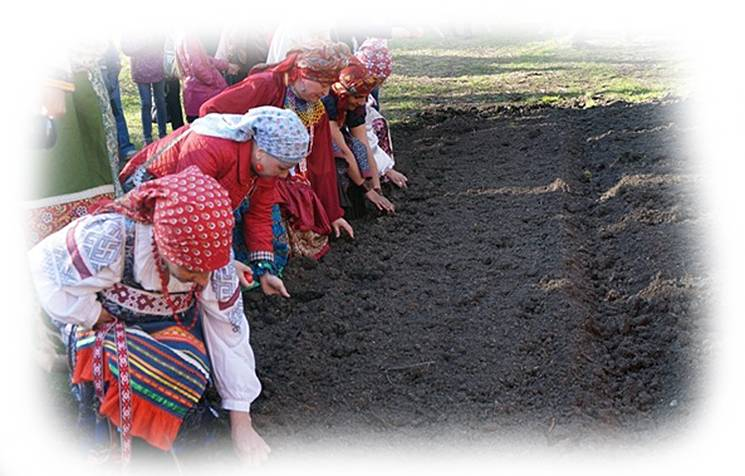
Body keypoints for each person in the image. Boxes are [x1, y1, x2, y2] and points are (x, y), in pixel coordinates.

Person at [27, 167, 270, 464]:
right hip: (106, 328)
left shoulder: (214, 263)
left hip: (170, 327)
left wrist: (241, 424)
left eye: (208, 270)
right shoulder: (113, 238)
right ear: (163, 246)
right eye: (191, 271)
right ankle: (115, 440)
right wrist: (93, 313)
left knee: (190, 368)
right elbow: (44, 268)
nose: (203, 280)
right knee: (138, 371)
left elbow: (229, 335)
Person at [119, 106, 309, 291]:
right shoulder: (209, 146)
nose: (284, 176)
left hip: (196, 204)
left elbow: (259, 213)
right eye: (282, 168)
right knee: (168, 266)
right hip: (159, 196)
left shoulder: (264, 168)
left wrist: (265, 269)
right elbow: (188, 211)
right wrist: (222, 263)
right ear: (261, 152)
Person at [199, 41, 354, 259]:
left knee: (310, 242)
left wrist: (333, 212)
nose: (326, 93)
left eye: (330, 86)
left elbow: (321, 163)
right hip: (251, 174)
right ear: (302, 74)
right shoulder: (265, 85)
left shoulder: (314, 107)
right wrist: (245, 153)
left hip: (281, 177)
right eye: (323, 85)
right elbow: (210, 111)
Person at [321, 57, 396, 216]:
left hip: (337, 136)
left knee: (358, 148)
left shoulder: (357, 106)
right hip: (320, 139)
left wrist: (377, 189)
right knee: (338, 159)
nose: (362, 102)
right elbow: (342, 150)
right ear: (343, 94)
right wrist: (366, 189)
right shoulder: (328, 101)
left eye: (364, 97)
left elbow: (364, 145)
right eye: (357, 97)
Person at [353, 38, 408, 189]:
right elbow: (364, 136)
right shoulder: (352, 96)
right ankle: (372, 177)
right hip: (348, 142)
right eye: (377, 82)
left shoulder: (359, 90)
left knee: (379, 122)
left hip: (360, 139)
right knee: (376, 126)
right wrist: (384, 171)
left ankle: (381, 173)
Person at [176, 33, 239, 123]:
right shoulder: (189, 37)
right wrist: (213, 80)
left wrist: (225, 65)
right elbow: (196, 67)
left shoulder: (184, 36)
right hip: (204, 94)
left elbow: (204, 59)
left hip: (196, 94)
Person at [121, 34, 169, 144]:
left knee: (160, 101)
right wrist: (143, 42)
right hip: (140, 69)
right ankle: (147, 137)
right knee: (146, 103)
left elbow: (163, 39)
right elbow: (126, 49)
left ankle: (163, 134)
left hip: (158, 66)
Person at [101, 42, 137, 160]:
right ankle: (107, 150)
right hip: (88, 71)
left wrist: (113, 74)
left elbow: (113, 56)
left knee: (116, 111)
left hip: (108, 71)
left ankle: (125, 147)